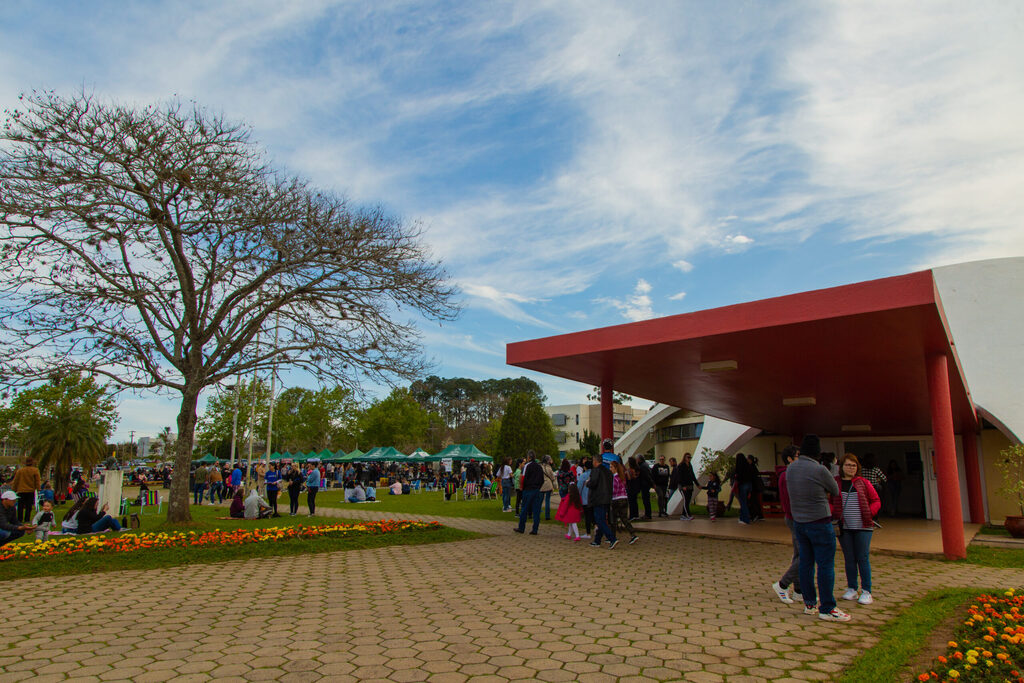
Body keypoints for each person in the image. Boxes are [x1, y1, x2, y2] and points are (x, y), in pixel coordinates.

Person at [787, 434, 849, 622]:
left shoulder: (791, 469)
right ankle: (828, 607)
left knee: (806, 562)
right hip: (820, 521)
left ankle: (809, 603)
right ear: (817, 452)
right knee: (825, 564)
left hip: (800, 523)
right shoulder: (819, 469)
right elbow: (836, 490)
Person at [834, 453, 881, 605]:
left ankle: (867, 590)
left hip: (863, 526)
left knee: (862, 557)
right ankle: (852, 588)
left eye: (854, 465)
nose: (851, 468)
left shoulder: (863, 482)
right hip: (844, 527)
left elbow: (876, 500)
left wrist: (869, 512)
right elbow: (827, 500)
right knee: (849, 558)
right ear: (841, 467)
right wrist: (833, 513)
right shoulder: (836, 483)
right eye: (848, 465)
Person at [771, 445, 803, 604]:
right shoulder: (786, 476)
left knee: (799, 554)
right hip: (795, 518)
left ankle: (799, 590)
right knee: (804, 554)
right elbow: (788, 500)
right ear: (789, 459)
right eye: (797, 456)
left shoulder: (792, 473)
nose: (800, 458)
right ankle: (783, 584)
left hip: (797, 517)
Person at [587, 453, 618, 549]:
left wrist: (588, 483)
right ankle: (597, 540)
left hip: (598, 498)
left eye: (593, 461)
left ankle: (612, 538)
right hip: (607, 498)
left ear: (595, 461)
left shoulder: (596, 471)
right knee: (602, 519)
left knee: (599, 520)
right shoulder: (608, 471)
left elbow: (593, 483)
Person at [513, 451, 543, 535]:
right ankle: (535, 529)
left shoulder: (527, 466)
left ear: (529, 458)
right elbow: (542, 479)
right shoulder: (539, 467)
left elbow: (523, 477)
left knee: (524, 508)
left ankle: (521, 527)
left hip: (528, 489)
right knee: (536, 510)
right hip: (536, 489)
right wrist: (538, 487)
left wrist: (522, 487)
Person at [609, 460, 639, 544]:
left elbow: (613, 490)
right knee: (624, 518)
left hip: (616, 499)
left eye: (611, 467)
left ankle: (613, 538)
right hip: (624, 498)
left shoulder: (615, 478)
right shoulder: (622, 477)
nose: (610, 469)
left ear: (615, 468)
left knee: (613, 519)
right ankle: (633, 534)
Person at [10, 456, 42, 523]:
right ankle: (27, 519)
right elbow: (37, 480)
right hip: (30, 490)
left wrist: (14, 489)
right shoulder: (35, 470)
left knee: (20, 505)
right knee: (28, 506)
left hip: (21, 490)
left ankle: (19, 519)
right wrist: (38, 488)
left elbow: (16, 480)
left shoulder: (20, 470)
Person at [671, 452, 701, 521]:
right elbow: (680, 477)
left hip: (690, 485)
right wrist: (683, 485)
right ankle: (688, 515)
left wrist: (697, 484)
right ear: (684, 458)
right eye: (688, 457)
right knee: (686, 499)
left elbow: (692, 475)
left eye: (690, 457)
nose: (689, 459)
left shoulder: (690, 465)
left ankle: (683, 515)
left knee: (688, 500)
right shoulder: (681, 466)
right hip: (683, 486)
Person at [733, 452, 756, 525]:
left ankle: (745, 519)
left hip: (742, 485)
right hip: (749, 485)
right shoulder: (748, 466)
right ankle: (742, 518)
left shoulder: (739, 467)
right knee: (745, 502)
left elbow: (737, 477)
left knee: (743, 502)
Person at [577, 458, 593, 538]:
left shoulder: (583, 475)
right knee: (594, 515)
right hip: (594, 498)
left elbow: (579, 487)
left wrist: (577, 495)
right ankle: (597, 528)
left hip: (585, 498)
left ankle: (588, 533)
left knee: (587, 516)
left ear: (585, 467)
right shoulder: (594, 474)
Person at [635, 454, 654, 520]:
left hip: (644, 485)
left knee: (646, 499)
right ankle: (648, 513)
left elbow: (647, 476)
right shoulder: (645, 465)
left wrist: (651, 483)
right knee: (646, 499)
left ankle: (648, 514)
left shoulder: (642, 466)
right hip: (645, 484)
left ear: (639, 459)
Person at [539, 455, 557, 520]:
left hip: (541, 484)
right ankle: (547, 516)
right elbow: (552, 477)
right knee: (547, 500)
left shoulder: (540, 467)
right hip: (548, 484)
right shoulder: (549, 468)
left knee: (540, 501)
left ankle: (537, 514)